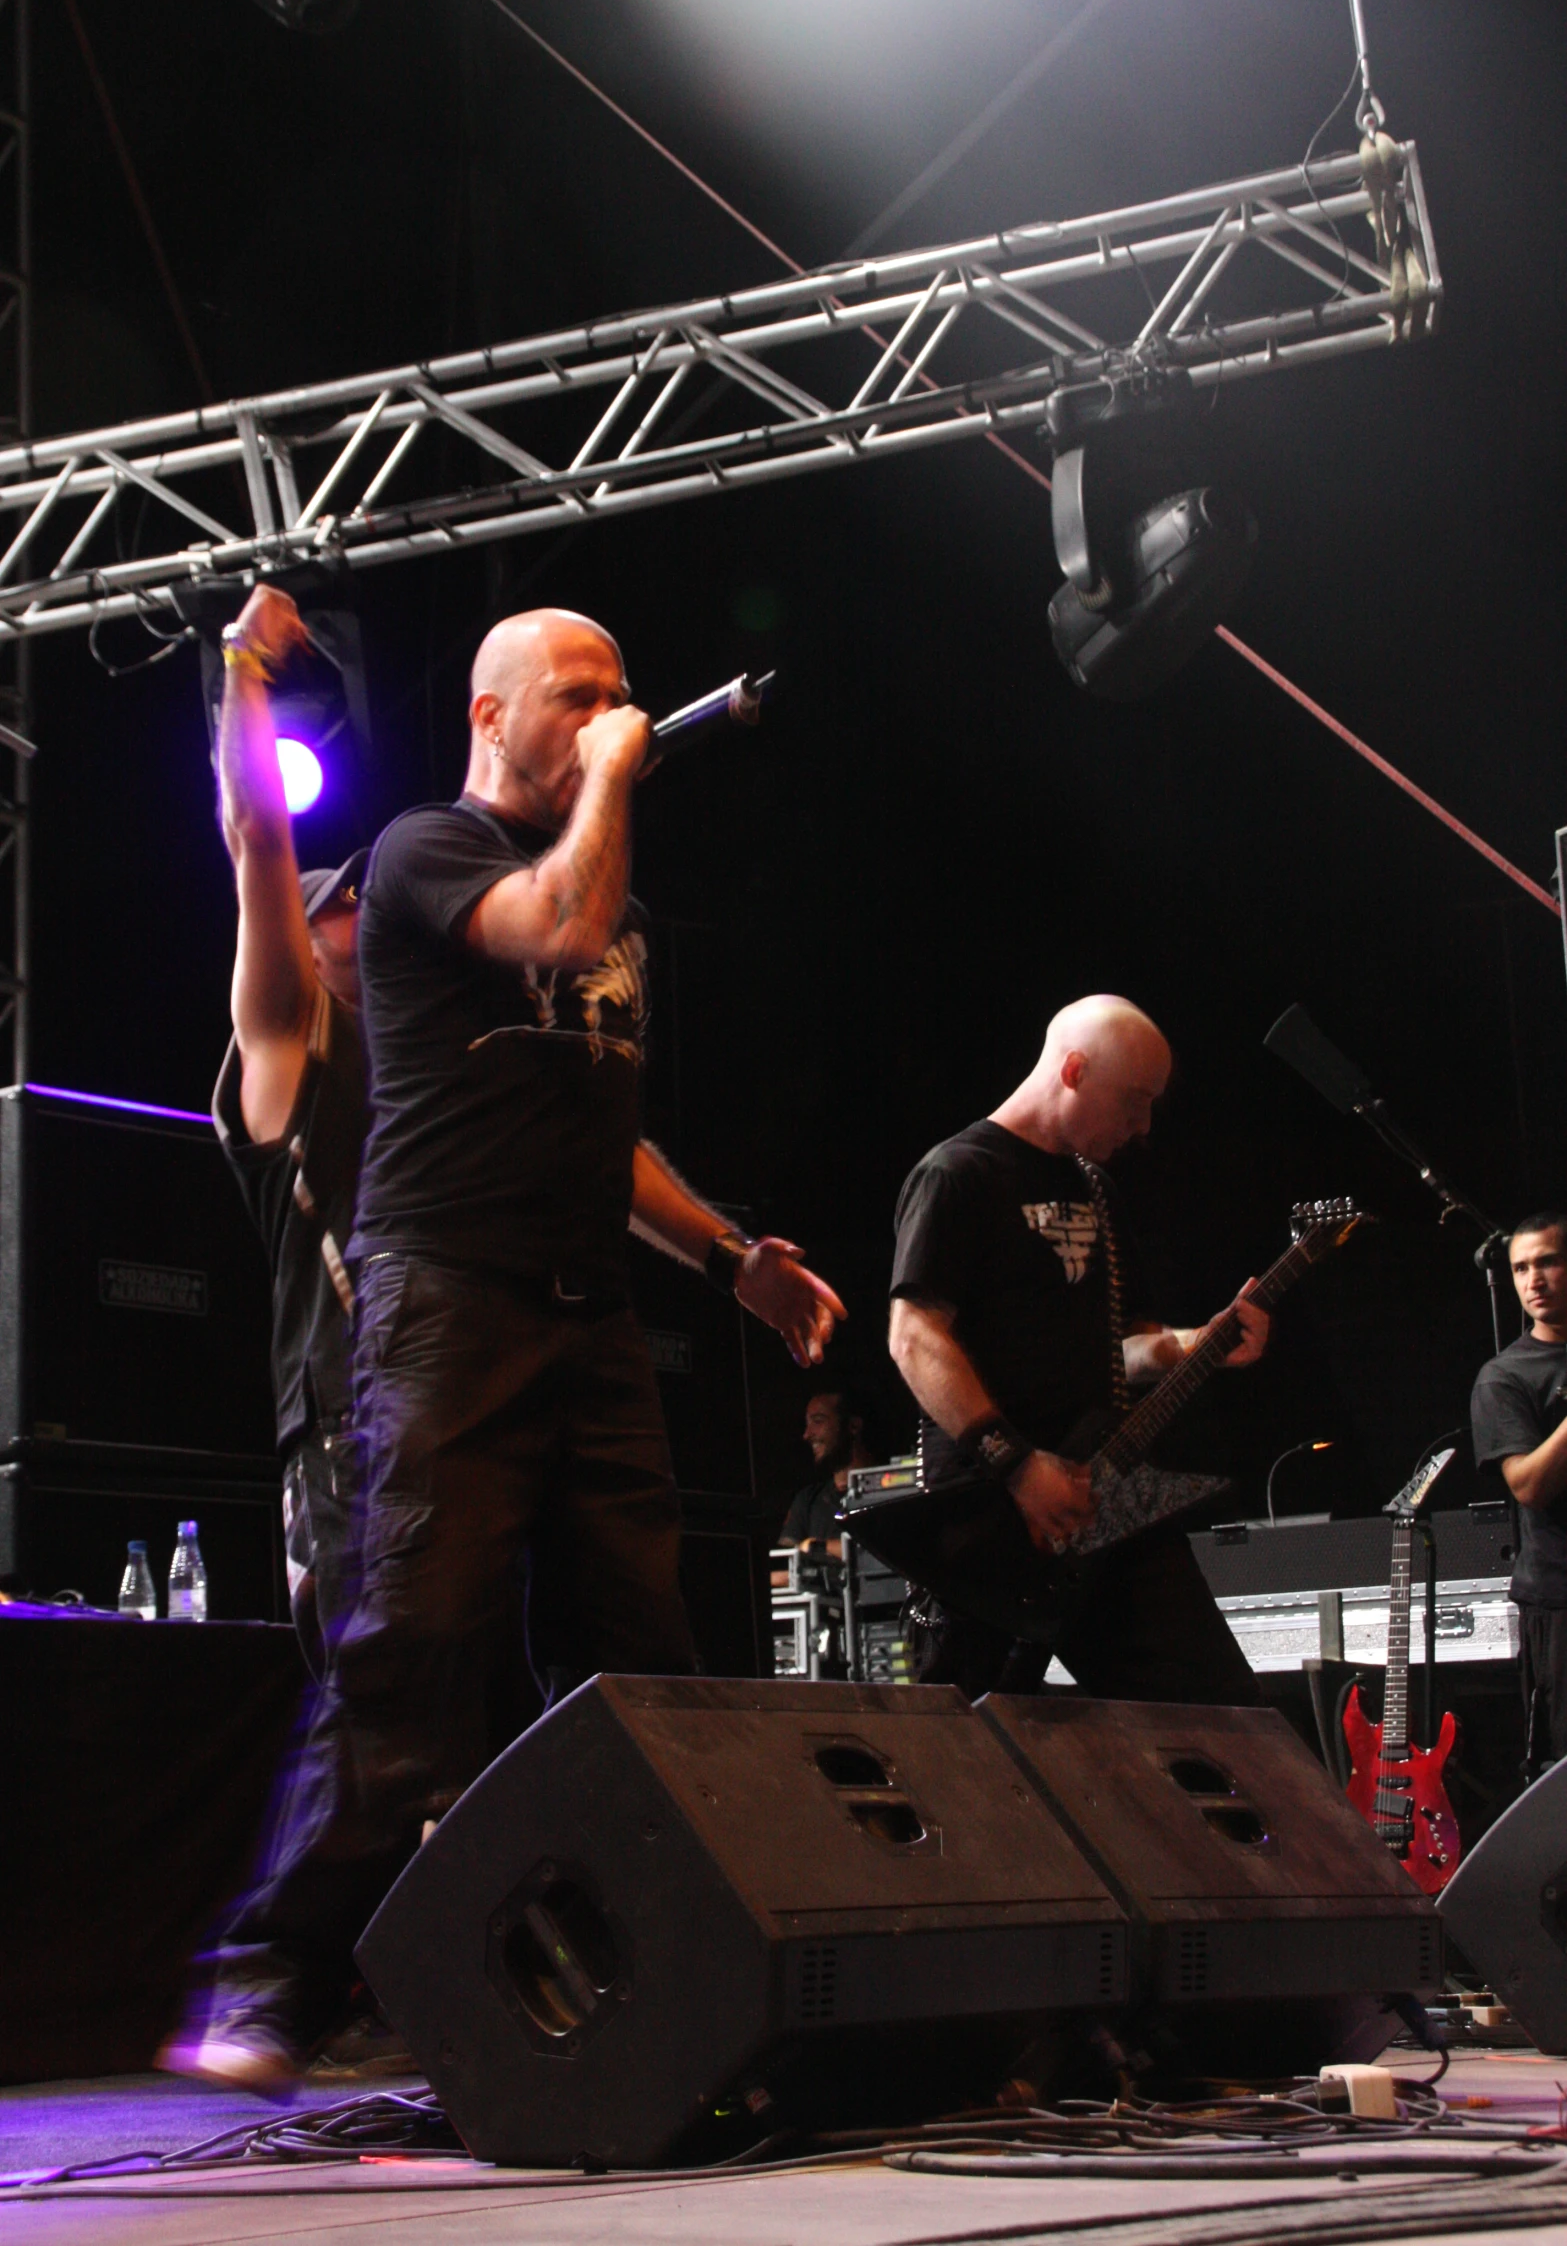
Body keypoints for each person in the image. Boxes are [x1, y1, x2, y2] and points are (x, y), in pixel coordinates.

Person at [162, 606, 844, 2086]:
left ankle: (656, 1979)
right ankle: (278, 1978)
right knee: (408, 1658)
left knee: (637, 1664)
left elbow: (607, 1124)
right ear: (489, 714)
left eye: (620, 691)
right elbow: (266, 843)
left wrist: (728, 1256)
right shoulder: (413, 861)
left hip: (581, 1308)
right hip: (435, 1314)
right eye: (577, 695)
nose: (614, 713)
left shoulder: (610, 913)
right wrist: (240, 675)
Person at [886, 993, 1269, 1702]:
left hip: (1099, 1501)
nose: (1142, 1125)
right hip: (993, 1518)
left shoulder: (1096, 1189)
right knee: (974, 1751)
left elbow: (1120, 1351)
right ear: (1071, 1070)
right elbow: (912, 1338)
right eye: (1132, 1101)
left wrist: (1196, 1345)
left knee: (1220, 1718)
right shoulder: (958, 1174)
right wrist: (1016, 1464)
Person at [209, 581, 368, 1679]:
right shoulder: (287, 1033)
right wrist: (246, 671)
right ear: (302, 941)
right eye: (344, 901)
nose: (369, 908)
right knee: (374, 1744)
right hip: (346, 1437)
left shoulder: (423, 1046)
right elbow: (259, 832)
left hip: (451, 1416)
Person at [1470, 1211, 1567, 1775]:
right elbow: (1528, 1483)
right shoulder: (1506, 1375)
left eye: (1548, 1262)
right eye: (1521, 1268)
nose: (1534, 1280)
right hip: (1560, 1600)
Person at [773, 1384, 879, 1582]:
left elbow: (884, 1553)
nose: (807, 1434)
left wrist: (814, 1547)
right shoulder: (808, 1500)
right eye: (807, 1424)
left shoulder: (886, 1488)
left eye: (818, 1421)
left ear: (853, 1426)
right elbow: (784, 1565)